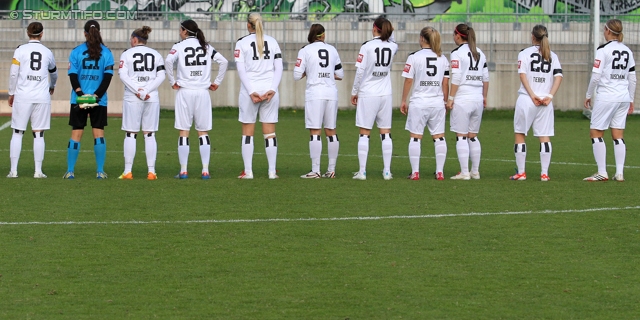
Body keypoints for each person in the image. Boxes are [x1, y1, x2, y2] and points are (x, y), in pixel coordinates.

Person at [165, 19, 228, 180]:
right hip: (202, 92)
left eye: (181, 29)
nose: (179, 32)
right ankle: (205, 170)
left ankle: (184, 171)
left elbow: (168, 61)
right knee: (203, 131)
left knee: (184, 131)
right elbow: (223, 61)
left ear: (185, 31)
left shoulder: (178, 46)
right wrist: (217, 82)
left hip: (185, 92)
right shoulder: (206, 46)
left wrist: (173, 82)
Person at [584, 19, 636, 182]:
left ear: (607, 31)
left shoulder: (603, 50)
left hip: (607, 96)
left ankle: (602, 172)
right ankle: (619, 173)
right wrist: (631, 99)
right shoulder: (627, 51)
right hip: (623, 97)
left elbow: (596, 76)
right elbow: (632, 78)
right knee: (618, 134)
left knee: (596, 132)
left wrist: (588, 94)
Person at [511, 25, 563, 182]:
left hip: (527, 99)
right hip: (545, 102)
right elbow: (559, 77)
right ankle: (544, 174)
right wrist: (549, 96)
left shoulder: (524, 53)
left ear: (532, 36)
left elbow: (523, 76)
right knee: (544, 136)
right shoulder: (552, 55)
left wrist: (532, 95)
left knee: (520, 134)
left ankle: (521, 173)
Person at [234, 13, 283, 180]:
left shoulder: (241, 43)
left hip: (250, 91)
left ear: (249, 25)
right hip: (269, 90)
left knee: (248, 133)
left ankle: (248, 172)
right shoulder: (273, 41)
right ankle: (272, 171)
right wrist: (273, 89)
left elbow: (241, 70)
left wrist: (250, 91)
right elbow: (279, 68)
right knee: (270, 133)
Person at [64, 20, 114, 180]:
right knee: (98, 134)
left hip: (79, 99)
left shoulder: (76, 51)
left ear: (85, 33)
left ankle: (70, 171)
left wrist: (80, 94)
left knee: (76, 134)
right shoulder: (107, 53)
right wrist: (96, 97)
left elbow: (72, 75)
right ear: (99, 32)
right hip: (99, 100)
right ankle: (100, 171)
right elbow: (107, 78)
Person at [7, 22, 58, 179]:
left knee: (17, 132)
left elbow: (13, 74)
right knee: (39, 134)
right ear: (42, 34)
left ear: (28, 33)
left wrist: (11, 92)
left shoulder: (20, 50)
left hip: (23, 96)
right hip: (41, 96)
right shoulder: (47, 52)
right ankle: (38, 171)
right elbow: (54, 73)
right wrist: (52, 85)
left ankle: (14, 171)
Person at [293, 24, 343, 179]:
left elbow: (296, 75)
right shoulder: (332, 50)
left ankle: (315, 170)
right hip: (331, 93)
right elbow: (340, 74)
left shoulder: (305, 50)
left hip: (315, 93)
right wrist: (326, 74)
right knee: (331, 131)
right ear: (323, 35)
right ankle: (331, 169)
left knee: (315, 131)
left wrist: (310, 72)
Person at [351, 16, 398, 180]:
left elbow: (359, 72)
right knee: (385, 133)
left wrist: (354, 91)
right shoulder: (393, 46)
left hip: (368, 93)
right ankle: (387, 171)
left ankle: (362, 171)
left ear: (374, 28)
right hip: (385, 93)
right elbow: (392, 38)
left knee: (364, 132)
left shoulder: (367, 46)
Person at [400, 27, 449, 181]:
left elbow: (409, 79)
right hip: (437, 102)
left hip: (419, 102)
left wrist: (403, 100)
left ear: (422, 38)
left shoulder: (414, 57)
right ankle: (440, 172)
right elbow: (445, 83)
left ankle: (415, 173)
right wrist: (445, 101)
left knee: (415, 137)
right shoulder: (443, 58)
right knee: (439, 137)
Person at [117, 26, 166, 180]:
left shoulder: (126, 54)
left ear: (135, 39)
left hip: (133, 97)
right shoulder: (156, 54)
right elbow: (161, 76)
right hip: (151, 97)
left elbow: (123, 75)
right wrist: (146, 90)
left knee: (131, 133)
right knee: (149, 133)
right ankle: (151, 172)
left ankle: (128, 171)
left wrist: (138, 90)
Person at [446, 23, 489, 180]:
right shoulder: (480, 53)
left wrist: (450, 98)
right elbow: (486, 78)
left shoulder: (457, 53)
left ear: (458, 36)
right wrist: (484, 97)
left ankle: (465, 172)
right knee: (473, 136)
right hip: (477, 97)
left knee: (461, 136)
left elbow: (456, 77)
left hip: (463, 98)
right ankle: (475, 171)